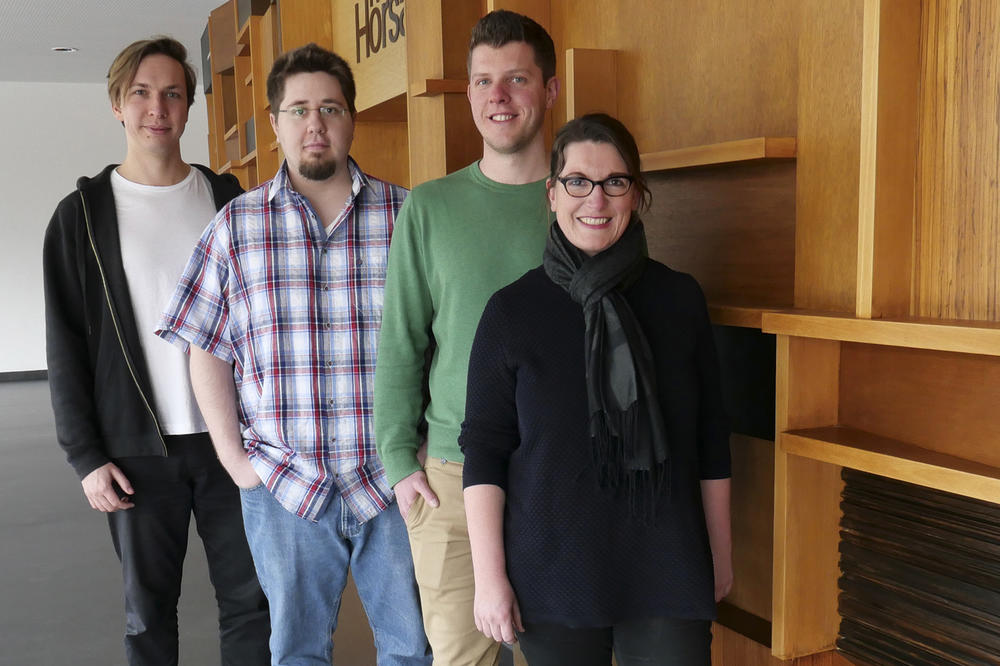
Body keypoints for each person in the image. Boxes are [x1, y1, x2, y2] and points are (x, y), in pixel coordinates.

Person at [156, 42, 430, 665]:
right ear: (276, 122)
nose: (316, 124)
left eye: (330, 108)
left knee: (413, 650)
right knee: (296, 652)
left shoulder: (407, 217)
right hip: (284, 484)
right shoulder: (236, 226)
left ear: (351, 118)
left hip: (392, 480)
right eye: (299, 109)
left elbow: (439, 342)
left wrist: (417, 449)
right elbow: (206, 347)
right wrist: (234, 460)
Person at [460, 113, 734, 666]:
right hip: (553, 567)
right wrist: (490, 579)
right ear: (552, 194)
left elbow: (710, 439)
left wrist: (720, 555)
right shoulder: (511, 312)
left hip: (668, 561)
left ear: (637, 195)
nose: (597, 198)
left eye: (615, 182)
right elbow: (485, 453)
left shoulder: (680, 300)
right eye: (578, 181)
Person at [42, 36, 270, 665]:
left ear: (189, 107)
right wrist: (85, 456)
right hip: (135, 451)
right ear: (117, 104)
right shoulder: (81, 216)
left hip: (233, 445)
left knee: (254, 603)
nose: (157, 107)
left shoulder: (230, 202)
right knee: (148, 614)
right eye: (141, 92)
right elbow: (63, 344)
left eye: (172, 93)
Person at [373, 9, 559, 665]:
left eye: (515, 79)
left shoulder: (581, 205)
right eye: (482, 82)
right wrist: (398, 463)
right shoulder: (430, 208)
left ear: (551, 89)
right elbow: (402, 344)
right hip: (448, 479)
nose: (497, 97)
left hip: (559, 477)